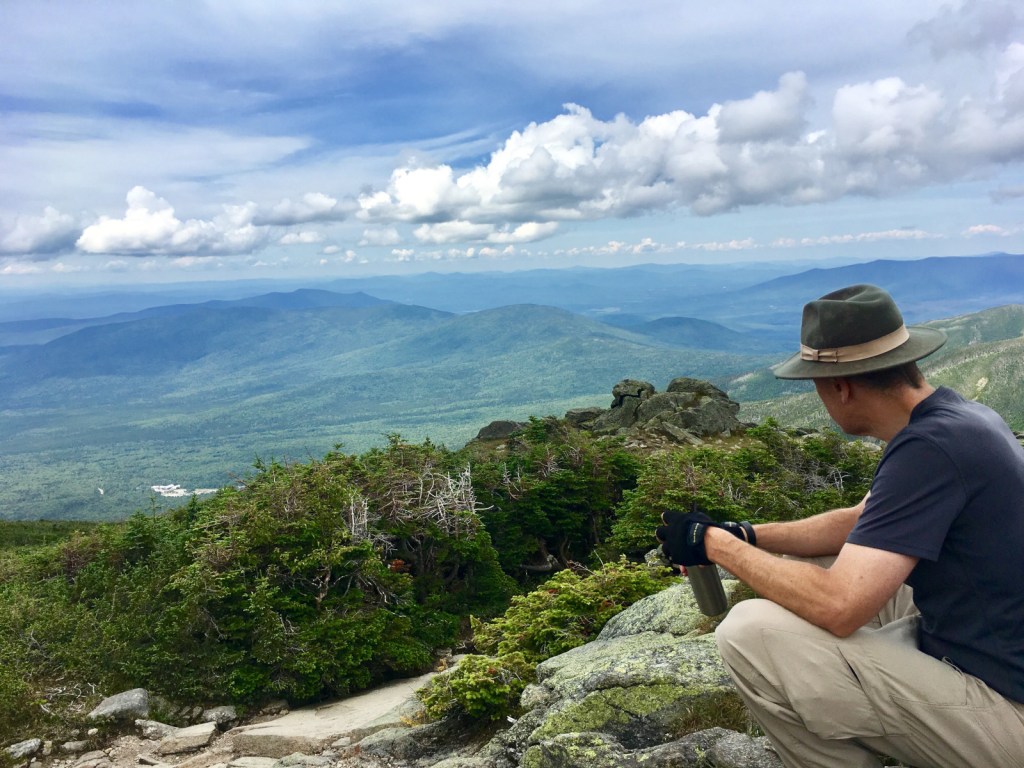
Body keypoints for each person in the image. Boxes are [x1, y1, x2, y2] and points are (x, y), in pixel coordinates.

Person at [656, 284, 1024, 768]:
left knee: (748, 631)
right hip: (991, 648)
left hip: (1005, 709)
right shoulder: (958, 419)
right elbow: (856, 523)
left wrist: (717, 546)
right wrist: (745, 533)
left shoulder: (929, 450)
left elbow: (841, 607)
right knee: (811, 561)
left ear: (842, 387)